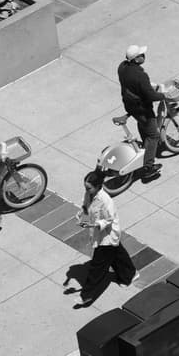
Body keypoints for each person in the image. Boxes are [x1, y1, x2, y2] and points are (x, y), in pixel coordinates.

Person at [67, 168, 136, 307]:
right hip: (100, 234)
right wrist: (81, 213)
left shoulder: (106, 200)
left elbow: (109, 219)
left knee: (97, 267)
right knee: (117, 255)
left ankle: (86, 295)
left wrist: (92, 224)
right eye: (85, 187)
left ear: (98, 186)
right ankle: (129, 275)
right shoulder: (89, 193)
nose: (86, 190)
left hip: (107, 235)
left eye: (89, 188)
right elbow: (86, 205)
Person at [118, 44, 164, 182]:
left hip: (130, 105)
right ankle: (148, 169)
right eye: (141, 55)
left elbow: (136, 86)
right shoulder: (140, 75)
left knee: (143, 126)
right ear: (136, 59)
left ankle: (146, 145)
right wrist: (163, 96)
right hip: (142, 108)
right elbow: (150, 95)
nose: (144, 56)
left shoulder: (122, 67)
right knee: (154, 135)